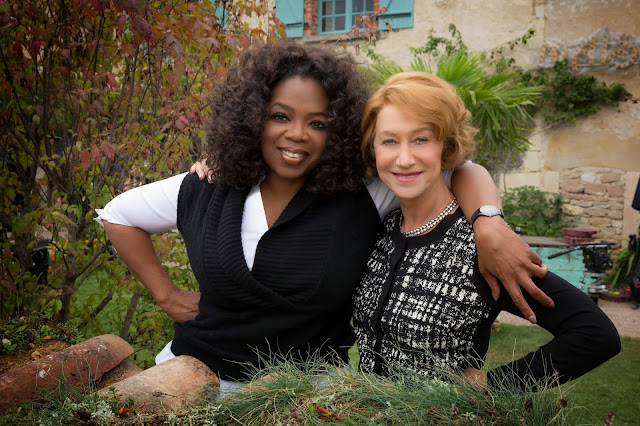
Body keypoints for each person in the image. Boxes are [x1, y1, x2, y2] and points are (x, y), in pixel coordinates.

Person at [98, 40, 548, 391]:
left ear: (338, 129)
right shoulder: (208, 186)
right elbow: (117, 214)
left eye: (317, 122)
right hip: (189, 379)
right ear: (253, 118)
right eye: (280, 116)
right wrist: (167, 295)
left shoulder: (364, 194)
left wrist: (488, 221)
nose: (297, 134)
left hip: (306, 394)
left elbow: (461, 168)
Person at [353, 71, 621, 391]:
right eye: (389, 141)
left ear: (447, 146)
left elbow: (594, 334)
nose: (404, 157)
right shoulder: (383, 230)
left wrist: (495, 386)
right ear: (373, 148)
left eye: (421, 138)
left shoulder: (479, 246)